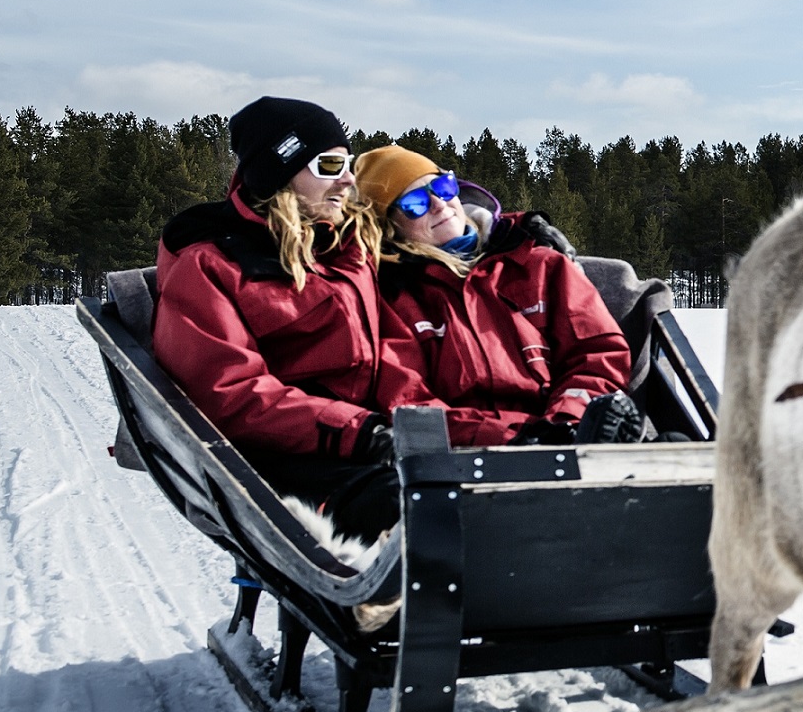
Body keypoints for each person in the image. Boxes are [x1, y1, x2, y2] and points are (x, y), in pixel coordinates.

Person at [153, 97, 426, 587]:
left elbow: (440, 228)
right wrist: (356, 431)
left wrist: (506, 230)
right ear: (281, 173)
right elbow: (227, 393)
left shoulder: (347, 242)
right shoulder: (211, 263)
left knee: (485, 487)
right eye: (329, 165)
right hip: (283, 460)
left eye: (349, 162)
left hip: (373, 440)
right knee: (421, 508)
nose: (347, 179)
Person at [353, 146, 646, 447]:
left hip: (569, 437)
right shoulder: (392, 297)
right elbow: (408, 400)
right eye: (414, 203)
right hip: (464, 459)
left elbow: (596, 355)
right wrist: (514, 440)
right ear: (389, 227)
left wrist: (566, 422)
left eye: (441, 186)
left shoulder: (541, 265)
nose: (438, 204)